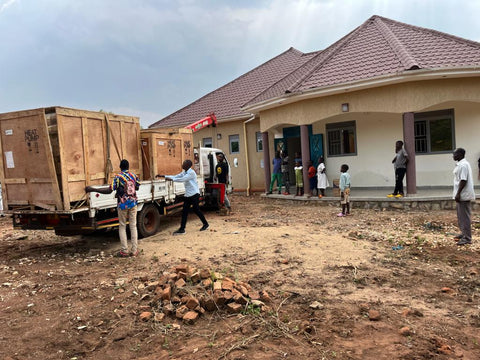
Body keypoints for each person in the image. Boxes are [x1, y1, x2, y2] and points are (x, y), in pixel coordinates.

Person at [85, 159, 140, 257]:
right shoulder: (134, 176)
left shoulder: (118, 177)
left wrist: (93, 189)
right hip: (133, 204)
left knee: (122, 226)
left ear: (120, 167)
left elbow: (109, 190)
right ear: (128, 167)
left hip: (122, 205)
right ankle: (134, 250)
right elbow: (137, 187)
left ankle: (124, 251)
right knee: (133, 226)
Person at [157, 160, 209, 235]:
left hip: (194, 194)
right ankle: (182, 229)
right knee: (184, 212)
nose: (182, 164)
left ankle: (205, 224)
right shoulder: (185, 172)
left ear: (188, 165)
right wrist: (164, 176)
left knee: (196, 210)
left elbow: (182, 179)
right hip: (188, 195)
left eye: (184, 163)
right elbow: (176, 176)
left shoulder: (191, 173)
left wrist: (171, 179)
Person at [452, 148, 475, 245]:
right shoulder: (461, 164)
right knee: (461, 216)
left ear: (460, 154)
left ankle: (467, 238)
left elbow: (463, 180)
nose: (453, 156)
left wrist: (458, 193)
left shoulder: (463, 165)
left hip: (463, 195)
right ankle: (464, 233)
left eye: (455, 154)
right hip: (461, 195)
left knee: (464, 217)